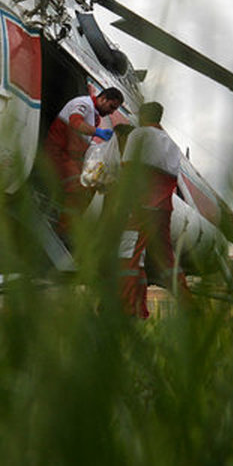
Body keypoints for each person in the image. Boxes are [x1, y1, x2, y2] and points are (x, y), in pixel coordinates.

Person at [118, 102, 191, 316]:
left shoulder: (138, 136)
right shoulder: (171, 144)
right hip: (163, 208)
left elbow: (128, 170)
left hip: (141, 206)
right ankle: (190, 308)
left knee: (129, 255)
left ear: (143, 116)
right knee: (168, 260)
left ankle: (129, 310)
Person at [44, 87, 125, 233]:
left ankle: (64, 224)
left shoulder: (94, 116)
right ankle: (61, 230)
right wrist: (97, 132)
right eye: (111, 107)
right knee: (77, 188)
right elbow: (75, 122)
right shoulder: (83, 104)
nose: (112, 112)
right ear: (103, 98)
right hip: (57, 153)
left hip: (69, 157)